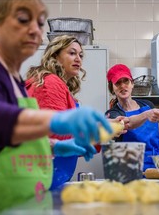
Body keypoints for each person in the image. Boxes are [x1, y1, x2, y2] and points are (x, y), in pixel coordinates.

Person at [0, 0, 112, 214]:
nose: (34, 30)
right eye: (22, 20)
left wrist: (52, 146)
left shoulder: (14, 79)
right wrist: (56, 120)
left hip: (5, 202)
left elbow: (5, 139)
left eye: (39, 24)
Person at [25, 35, 120, 188]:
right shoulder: (49, 83)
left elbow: (70, 144)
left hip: (52, 177)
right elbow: (57, 135)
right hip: (43, 178)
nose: (78, 59)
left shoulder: (57, 84)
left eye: (80, 55)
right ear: (55, 55)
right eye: (72, 53)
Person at [105, 64, 159, 171]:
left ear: (132, 84)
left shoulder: (147, 105)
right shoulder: (113, 114)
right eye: (118, 83)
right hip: (132, 168)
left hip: (158, 165)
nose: (123, 86)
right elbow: (126, 124)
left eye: (126, 81)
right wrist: (146, 115)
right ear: (112, 88)